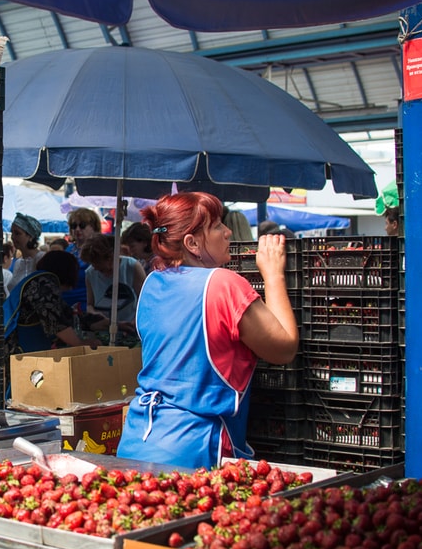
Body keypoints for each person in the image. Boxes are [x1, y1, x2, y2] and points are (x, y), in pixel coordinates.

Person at [117, 192, 299, 470]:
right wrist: (273, 274)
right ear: (191, 243)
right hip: (196, 451)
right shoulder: (223, 283)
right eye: (216, 226)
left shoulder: (153, 282)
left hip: (137, 440)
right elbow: (284, 348)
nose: (227, 232)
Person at [4, 250, 98, 355]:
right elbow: (55, 323)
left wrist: (99, 321)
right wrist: (80, 343)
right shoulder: (44, 284)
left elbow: (67, 314)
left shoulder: (37, 280)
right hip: (18, 350)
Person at [79, 233, 146, 335]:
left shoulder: (132, 266)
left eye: (98, 264)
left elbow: (145, 302)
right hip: (105, 330)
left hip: (131, 329)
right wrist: (94, 313)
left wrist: (135, 322)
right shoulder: (90, 273)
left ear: (110, 258)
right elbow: (90, 304)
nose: (95, 268)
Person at [63, 207, 101, 311]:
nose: (77, 229)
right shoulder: (69, 249)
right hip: (65, 302)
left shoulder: (99, 249)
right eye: (74, 226)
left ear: (94, 227)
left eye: (82, 225)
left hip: (87, 303)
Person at [5, 213, 46, 292]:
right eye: (12, 233)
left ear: (30, 236)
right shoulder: (18, 263)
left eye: (17, 233)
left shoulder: (42, 258)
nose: (13, 237)